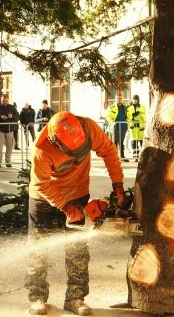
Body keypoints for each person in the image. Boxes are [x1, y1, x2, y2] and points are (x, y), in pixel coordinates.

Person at [26, 111, 125, 316]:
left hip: (78, 191)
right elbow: (40, 183)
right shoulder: (42, 149)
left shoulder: (88, 127)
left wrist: (118, 187)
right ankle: (37, 297)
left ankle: (75, 297)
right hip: (43, 196)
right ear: (56, 142)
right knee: (38, 246)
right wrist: (66, 207)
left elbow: (108, 151)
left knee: (77, 248)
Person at [0, 94, 19, 168]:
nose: (4, 102)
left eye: (6, 101)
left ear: (8, 100)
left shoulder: (12, 107)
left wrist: (12, 116)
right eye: (3, 101)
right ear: (1, 100)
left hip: (10, 130)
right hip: (0, 130)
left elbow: (17, 117)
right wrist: (0, 117)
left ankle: (8, 162)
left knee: (9, 147)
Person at [105, 93, 129, 162]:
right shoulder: (111, 107)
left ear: (122, 99)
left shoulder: (126, 107)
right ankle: (114, 157)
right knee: (115, 142)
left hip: (123, 127)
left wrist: (128, 121)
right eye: (118, 98)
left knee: (121, 142)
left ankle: (122, 156)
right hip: (115, 127)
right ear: (115, 99)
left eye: (120, 98)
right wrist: (112, 122)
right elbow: (107, 116)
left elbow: (129, 115)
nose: (119, 100)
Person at [127, 94, 146, 161]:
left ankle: (143, 157)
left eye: (136, 99)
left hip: (140, 127)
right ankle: (135, 156)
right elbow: (128, 117)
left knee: (141, 142)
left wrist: (138, 115)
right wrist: (133, 116)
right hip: (133, 127)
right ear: (132, 100)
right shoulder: (129, 108)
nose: (135, 101)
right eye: (134, 99)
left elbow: (143, 116)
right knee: (134, 142)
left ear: (138, 100)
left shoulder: (142, 107)